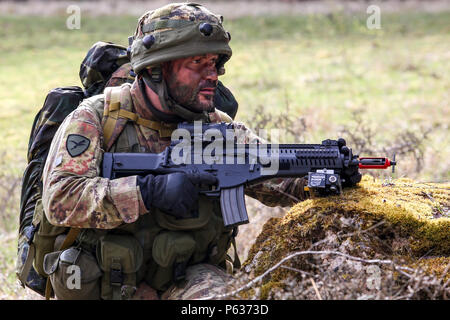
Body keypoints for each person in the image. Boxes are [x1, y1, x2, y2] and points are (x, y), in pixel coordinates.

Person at [41, 2, 309, 300]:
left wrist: (323, 179)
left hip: (187, 278)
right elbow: (60, 200)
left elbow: (276, 174)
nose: (213, 75)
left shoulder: (219, 128)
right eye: (197, 63)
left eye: (215, 63)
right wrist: (149, 191)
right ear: (156, 68)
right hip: (109, 284)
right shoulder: (98, 118)